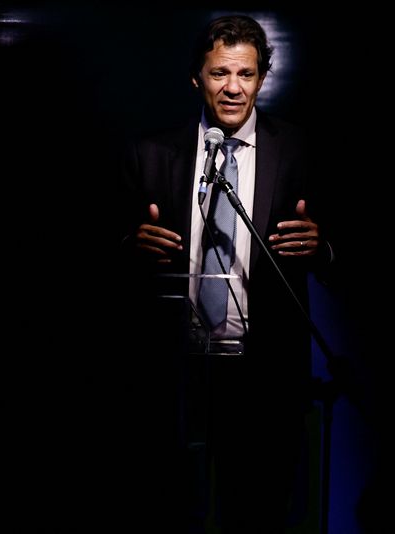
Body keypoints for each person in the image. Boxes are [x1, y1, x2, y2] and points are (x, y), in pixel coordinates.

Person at [116, 14, 333, 533]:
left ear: (262, 78)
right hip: (176, 377)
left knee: (256, 515)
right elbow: (106, 263)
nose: (233, 88)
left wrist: (321, 247)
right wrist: (132, 247)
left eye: (246, 74)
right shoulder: (150, 154)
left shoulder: (301, 150)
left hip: (265, 378)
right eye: (219, 74)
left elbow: (346, 253)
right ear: (197, 78)